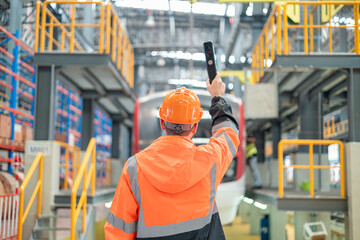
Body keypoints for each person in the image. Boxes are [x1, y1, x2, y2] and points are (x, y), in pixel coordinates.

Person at [104, 74, 240, 239]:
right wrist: (218, 97)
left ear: (162, 123)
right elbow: (229, 135)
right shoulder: (210, 160)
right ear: (195, 126)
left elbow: (119, 230)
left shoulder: (134, 167)